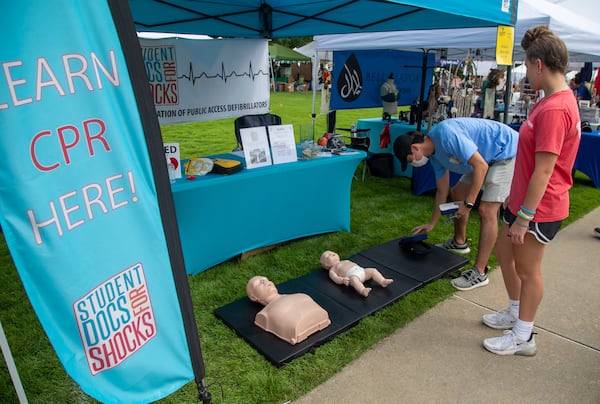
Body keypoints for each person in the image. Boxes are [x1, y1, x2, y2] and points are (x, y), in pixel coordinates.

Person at [482, 26, 580, 356]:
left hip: (540, 208)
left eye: (525, 64)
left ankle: (524, 335)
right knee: (505, 253)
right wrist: (514, 197)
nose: (525, 72)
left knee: (528, 270)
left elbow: (545, 169)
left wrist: (524, 217)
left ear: (539, 64)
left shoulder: (555, 109)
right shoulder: (551, 101)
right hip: (524, 201)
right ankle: (514, 311)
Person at [393, 117, 518, 291]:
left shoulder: (446, 135)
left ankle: (479, 272)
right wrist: (432, 223)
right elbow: (442, 191)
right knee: (457, 192)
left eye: (409, 160)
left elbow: (481, 166)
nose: (413, 163)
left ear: (415, 148)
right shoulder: (434, 155)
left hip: (505, 153)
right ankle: (460, 242)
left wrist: (468, 204)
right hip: (483, 158)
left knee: (486, 210)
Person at [246, 275, 331, 345]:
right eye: (258, 283)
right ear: (254, 297)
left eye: (265, 279)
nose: (264, 281)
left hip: (320, 319)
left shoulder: (300, 295)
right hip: (298, 333)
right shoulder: (264, 315)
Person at [320, 250, 393, 297]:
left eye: (332, 253)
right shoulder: (332, 269)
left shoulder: (345, 260)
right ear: (327, 265)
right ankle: (362, 290)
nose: (331, 254)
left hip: (362, 271)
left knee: (373, 270)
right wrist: (342, 280)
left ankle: (382, 281)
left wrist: (361, 270)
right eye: (327, 256)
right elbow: (335, 278)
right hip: (352, 276)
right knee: (354, 280)